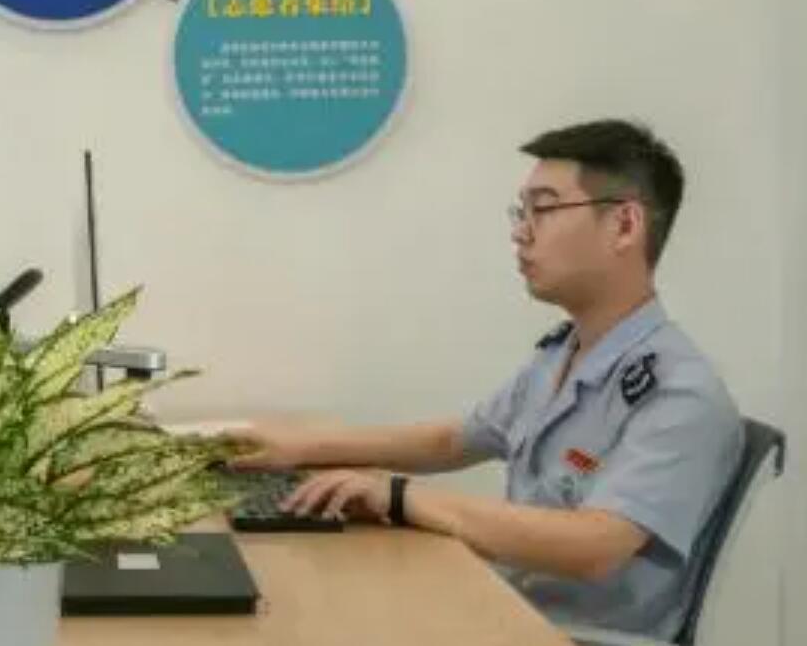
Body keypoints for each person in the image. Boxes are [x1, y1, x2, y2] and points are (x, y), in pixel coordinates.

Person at [229, 119, 741, 641]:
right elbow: (454, 440)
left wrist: (399, 497)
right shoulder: (562, 354)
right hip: (504, 608)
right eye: (521, 212)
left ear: (625, 225)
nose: (521, 232)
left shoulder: (679, 393)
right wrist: (298, 448)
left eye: (543, 209)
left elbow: (595, 546)